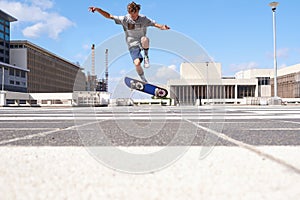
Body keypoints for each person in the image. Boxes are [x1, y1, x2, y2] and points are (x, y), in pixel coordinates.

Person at [89, 2, 170, 82]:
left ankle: (146, 56)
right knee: (137, 64)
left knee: (144, 39)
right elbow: (109, 16)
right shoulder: (124, 19)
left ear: (138, 11)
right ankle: (143, 78)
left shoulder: (144, 19)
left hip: (142, 42)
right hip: (132, 44)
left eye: (136, 14)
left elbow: (155, 24)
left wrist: (163, 27)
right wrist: (98, 9)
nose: (134, 17)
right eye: (132, 15)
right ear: (129, 13)